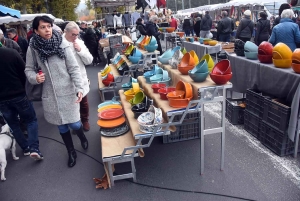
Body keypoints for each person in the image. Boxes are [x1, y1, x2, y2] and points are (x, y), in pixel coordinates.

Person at [25, 15, 88, 168]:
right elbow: (28, 69)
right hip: (50, 95)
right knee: (61, 126)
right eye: (43, 27)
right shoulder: (33, 48)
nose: (47, 30)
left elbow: (74, 68)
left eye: (49, 26)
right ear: (36, 30)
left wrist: (79, 88)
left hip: (68, 90)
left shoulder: (63, 43)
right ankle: (71, 151)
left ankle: (82, 136)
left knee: (74, 123)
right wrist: (35, 77)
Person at [0, 47, 43, 160]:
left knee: (13, 124)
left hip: (2, 99)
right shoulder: (10, 53)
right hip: (19, 93)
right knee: (30, 120)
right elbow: (24, 72)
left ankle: (26, 148)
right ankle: (34, 148)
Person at [63, 22, 93, 131]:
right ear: (65, 32)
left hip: (80, 78)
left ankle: (85, 120)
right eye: (73, 34)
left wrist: (80, 50)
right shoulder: (58, 44)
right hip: (65, 80)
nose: (75, 37)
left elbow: (89, 60)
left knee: (83, 102)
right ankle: (75, 124)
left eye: (77, 34)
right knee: (71, 105)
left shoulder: (80, 42)